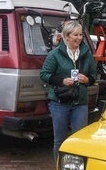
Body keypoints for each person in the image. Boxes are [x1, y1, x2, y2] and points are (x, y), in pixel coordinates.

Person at [40, 20, 98, 160]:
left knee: (79, 140)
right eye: (75, 35)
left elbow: (94, 75)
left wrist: (87, 79)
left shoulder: (86, 54)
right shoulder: (55, 54)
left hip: (80, 103)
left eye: (81, 35)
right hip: (60, 103)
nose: (79, 38)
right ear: (66, 37)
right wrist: (62, 81)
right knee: (59, 139)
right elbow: (44, 75)